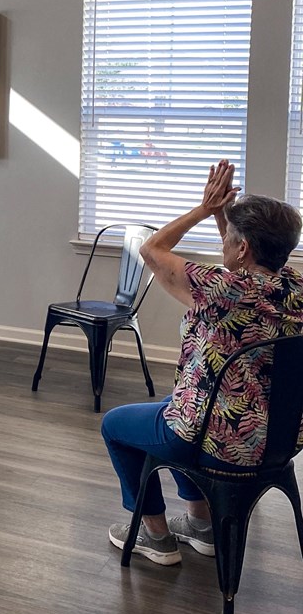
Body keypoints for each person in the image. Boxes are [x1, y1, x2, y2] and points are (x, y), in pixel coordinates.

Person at [102, 160, 303, 564]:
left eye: (228, 236)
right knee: (171, 408)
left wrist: (202, 208)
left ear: (242, 246)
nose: (223, 241)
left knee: (119, 425)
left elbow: (151, 250)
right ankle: (201, 525)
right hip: (278, 440)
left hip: (217, 442)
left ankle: (155, 537)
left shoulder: (221, 288)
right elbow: (244, 267)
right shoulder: (292, 285)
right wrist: (221, 217)